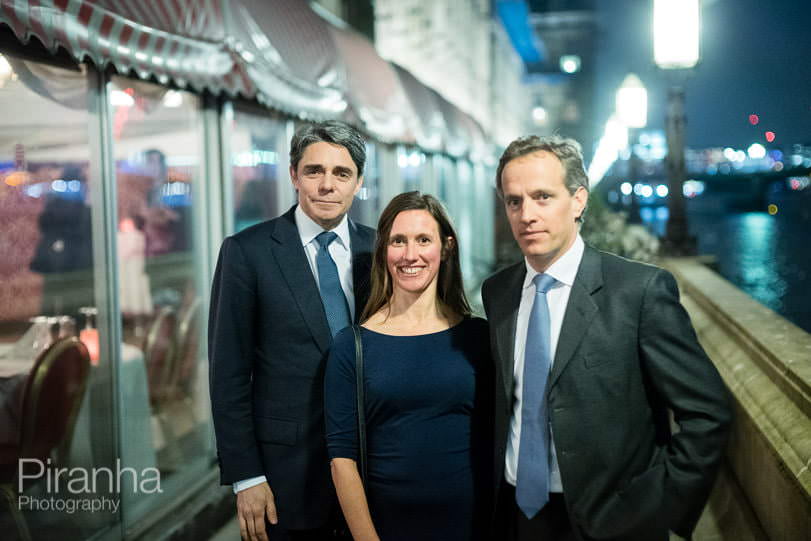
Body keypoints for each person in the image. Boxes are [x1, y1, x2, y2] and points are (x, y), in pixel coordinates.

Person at [481, 135, 732, 541]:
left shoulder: (639, 291)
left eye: (543, 197)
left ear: (578, 201)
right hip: (517, 515)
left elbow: (707, 414)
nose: (526, 214)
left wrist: (657, 509)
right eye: (514, 201)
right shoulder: (498, 292)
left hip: (612, 522)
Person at [209, 120, 375, 541]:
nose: (326, 185)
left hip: (372, 468)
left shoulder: (379, 250)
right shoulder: (248, 252)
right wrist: (246, 476)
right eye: (314, 171)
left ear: (358, 182)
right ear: (293, 175)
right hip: (287, 475)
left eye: (342, 174)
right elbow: (227, 374)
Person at [324, 192, 492, 541]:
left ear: (446, 248)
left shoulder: (479, 337)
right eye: (398, 241)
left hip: (471, 524)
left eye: (423, 240)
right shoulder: (352, 345)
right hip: (386, 527)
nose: (410, 255)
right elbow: (342, 461)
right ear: (384, 249)